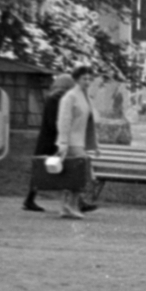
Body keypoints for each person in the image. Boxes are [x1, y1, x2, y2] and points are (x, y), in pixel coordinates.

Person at [23, 73, 74, 212]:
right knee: (49, 170)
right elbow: (53, 122)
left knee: (45, 170)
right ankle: (30, 199)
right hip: (51, 141)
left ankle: (30, 199)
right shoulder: (55, 100)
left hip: (49, 140)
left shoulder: (55, 99)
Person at [54, 66, 99, 220]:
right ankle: (70, 206)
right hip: (71, 142)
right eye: (84, 79)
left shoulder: (85, 97)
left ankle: (67, 206)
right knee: (80, 174)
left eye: (89, 79)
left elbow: (89, 123)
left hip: (79, 142)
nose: (87, 82)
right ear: (76, 79)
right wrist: (63, 142)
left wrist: (95, 144)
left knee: (72, 175)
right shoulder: (70, 97)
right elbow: (64, 120)